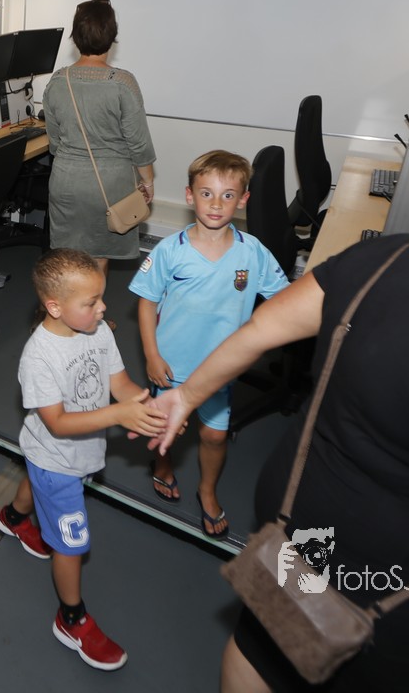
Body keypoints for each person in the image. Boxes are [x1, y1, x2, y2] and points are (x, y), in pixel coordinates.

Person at [149, 124, 409, 692]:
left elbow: (260, 330)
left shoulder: (388, 253)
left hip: (292, 527)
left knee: (263, 645)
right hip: (374, 587)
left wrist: (186, 395)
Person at [0, 248, 168, 672]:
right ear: (55, 306)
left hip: (71, 453)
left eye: (100, 297)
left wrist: (150, 409)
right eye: (91, 302)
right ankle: (71, 619)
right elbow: (57, 423)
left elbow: (120, 383)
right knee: (71, 545)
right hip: (57, 458)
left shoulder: (97, 331)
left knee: (35, 480)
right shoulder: (39, 357)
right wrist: (118, 415)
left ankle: (13, 518)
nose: (103, 308)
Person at [129, 150, 289, 538]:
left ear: (243, 200)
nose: (216, 204)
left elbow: (284, 300)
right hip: (170, 364)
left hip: (220, 368)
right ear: (190, 196)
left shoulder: (253, 252)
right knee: (166, 428)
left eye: (227, 195)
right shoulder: (170, 250)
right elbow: (146, 302)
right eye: (206, 194)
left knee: (214, 435)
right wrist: (151, 354)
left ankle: (207, 489)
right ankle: (162, 467)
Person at [41, 0, 157, 277]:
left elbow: (54, 141)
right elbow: (139, 143)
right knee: (98, 258)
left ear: (75, 36)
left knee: (67, 257)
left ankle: (68, 304)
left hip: (66, 181)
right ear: (112, 35)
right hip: (109, 185)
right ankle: (92, 304)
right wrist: (148, 181)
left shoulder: (57, 81)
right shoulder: (123, 83)